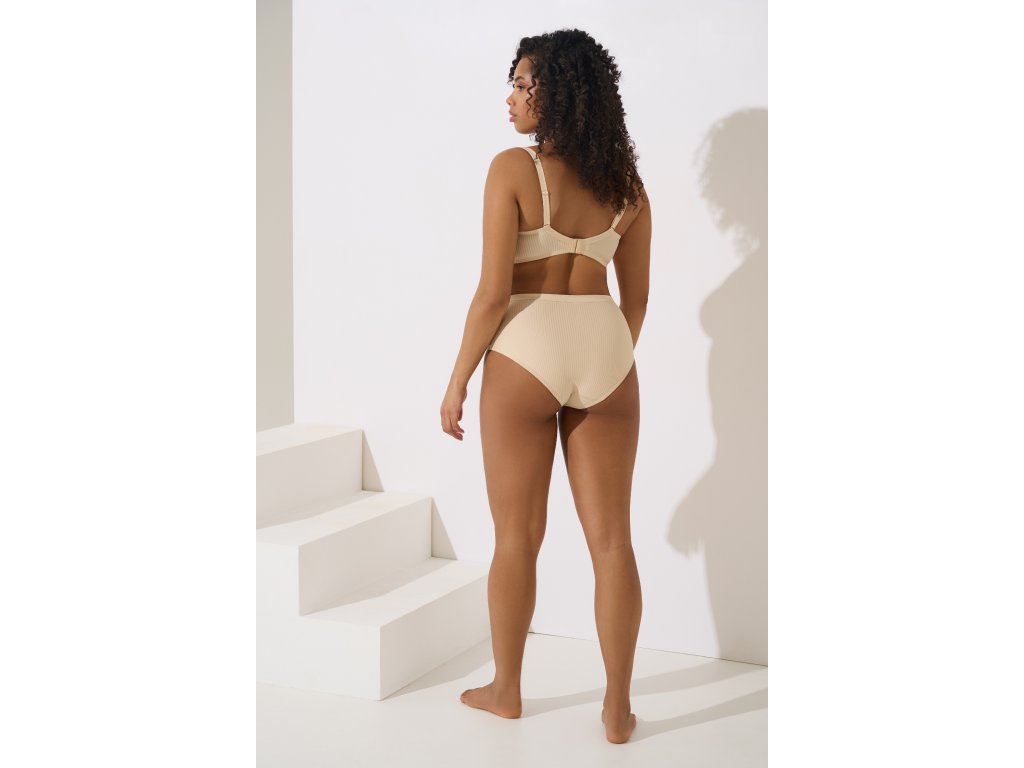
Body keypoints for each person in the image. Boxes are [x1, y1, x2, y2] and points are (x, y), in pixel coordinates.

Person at [439, 29, 651, 745]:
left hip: (525, 348)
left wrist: (458, 380)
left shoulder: (512, 169)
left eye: (522, 84)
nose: (511, 98)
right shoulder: (628, 189)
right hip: (606, 347)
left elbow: (493, 295)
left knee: (516, 538)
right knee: (613, 540)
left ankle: (506, 691)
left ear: (555, 93)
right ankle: (617, 709)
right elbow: (637, 299)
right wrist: (605, 361)